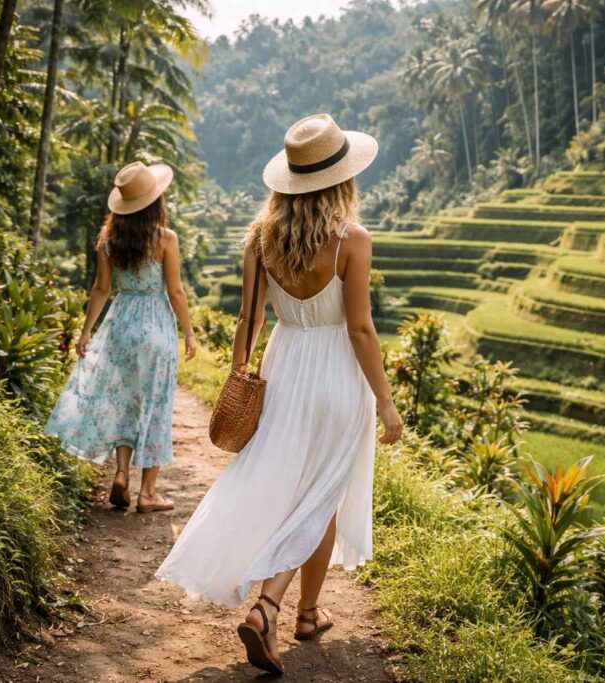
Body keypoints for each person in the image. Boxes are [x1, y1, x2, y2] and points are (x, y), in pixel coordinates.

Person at [156, 113, 403, 675]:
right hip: (337, 372)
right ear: (342, 179)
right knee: (322, 495)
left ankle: (308, 612)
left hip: (284, 364)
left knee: (296, 489)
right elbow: (362, 329)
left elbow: (250, 317)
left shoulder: (261, 237)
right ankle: (270, 606)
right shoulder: (351, 241)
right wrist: (385, 402)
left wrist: (241, 376)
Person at [45, 161, 198, 514]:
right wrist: (188, 333)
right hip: (156, 326)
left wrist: (85, 333)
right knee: (155, 406)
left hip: (120, 326)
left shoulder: (108, 242)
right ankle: (148, 494)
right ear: (155, 202)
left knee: (124, 402)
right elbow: (175, 291)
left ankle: (121, 472)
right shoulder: (165, 239)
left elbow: (101, 289)